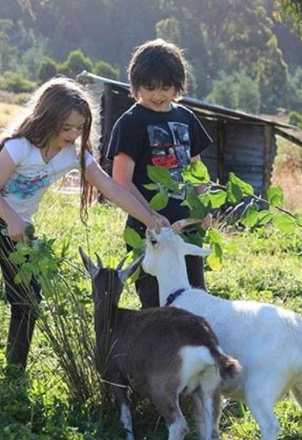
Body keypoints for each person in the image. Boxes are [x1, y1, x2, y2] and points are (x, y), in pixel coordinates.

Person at [0, 76, 166, 380]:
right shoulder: (19, 147)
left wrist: (151, 219)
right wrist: (11, 219)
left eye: (79, 127)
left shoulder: (75, 155)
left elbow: (110, 187)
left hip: (21, 226)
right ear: (47, 118)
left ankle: (15, 370)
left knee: (28, 295)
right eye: (66, 126)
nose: (73, 134)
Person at [107, 38, 213, 308]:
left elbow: (196, 168)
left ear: (178, 85)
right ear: (135, 84)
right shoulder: (130, 123)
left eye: (166, 87)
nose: (157, 95)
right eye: (149, 87)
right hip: (148, 232)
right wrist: (151, 218)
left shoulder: (186, 117)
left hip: (186, 231)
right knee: (157, 306)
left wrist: (203, 207)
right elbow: (121, 182)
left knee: (194, 303)